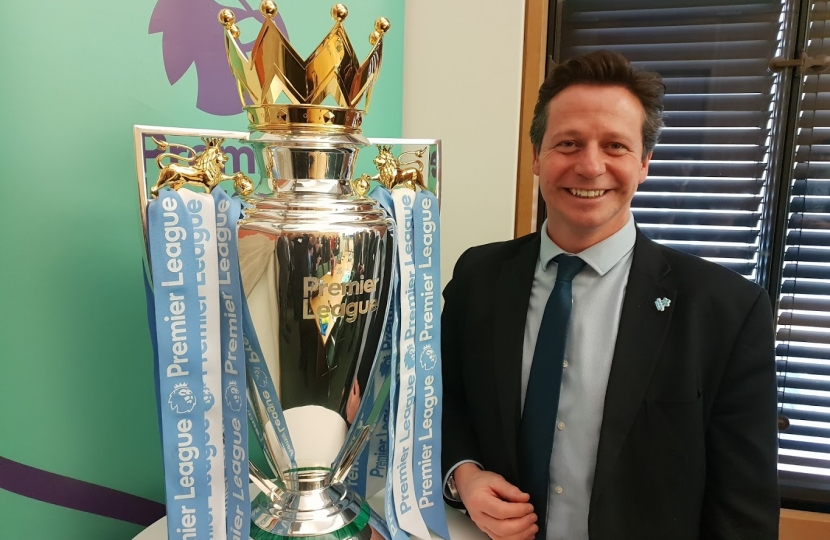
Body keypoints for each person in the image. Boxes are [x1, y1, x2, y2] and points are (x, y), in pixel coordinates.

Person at [441, 50, 779, 540]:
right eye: (569, 143)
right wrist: (464, 475)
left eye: (616, 146)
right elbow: (443, 403)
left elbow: (743, 509)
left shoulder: (726, 311)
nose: (590, 166)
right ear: (537, 157)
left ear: (644, 164)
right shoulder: (478, 275)